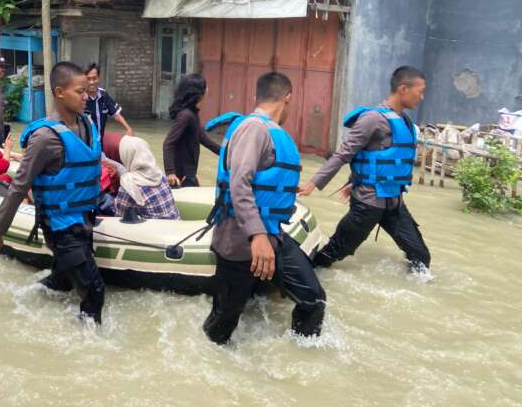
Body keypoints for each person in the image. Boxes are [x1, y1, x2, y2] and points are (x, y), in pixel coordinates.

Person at [202, 72, 326, 345]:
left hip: (273, 237)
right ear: (288, 98)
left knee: (313, 298)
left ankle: (300, 356)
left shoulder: (268, 132)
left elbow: (261, 184)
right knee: (222, 324)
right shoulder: (254, 128)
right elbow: (239, 184)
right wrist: (257, 236)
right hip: (240, 241)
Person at [0, 62, 105, 324]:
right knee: (94, 292)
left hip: (83, 220)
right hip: (60, 227)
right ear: (59, 92)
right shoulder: (44, 138)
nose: (86, 96)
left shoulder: (87, 125)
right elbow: (19, 186)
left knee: (62, 282)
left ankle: (27, 297)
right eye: (80, 91)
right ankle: (88, 352)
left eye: (87, 91)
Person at [299, 66, 431, 273]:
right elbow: (345, 153)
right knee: (333, 253)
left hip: (394, 203)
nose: (422, 97)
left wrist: (352, 179)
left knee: (421, 258)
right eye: (420, 91)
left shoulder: (404, 121)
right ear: (403, 89)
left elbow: (378, 157)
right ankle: (303, 278)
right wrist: (313, 183)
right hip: (368, 203)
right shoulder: (372, 119)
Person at [163, 74, 220, 188]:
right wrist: (170, 172)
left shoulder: (192, 113)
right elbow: (168, 143)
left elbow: (202, 138)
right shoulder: (185, 116)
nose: (207, 89)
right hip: (181, 176)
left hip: (189, 172)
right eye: (205, 87)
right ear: (198, 93)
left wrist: (226, 152)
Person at [114, 136, 180, 220]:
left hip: (154, 231)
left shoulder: (129, 183)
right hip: (175, 223)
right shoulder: (159, 173)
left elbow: (119, 216)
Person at [84, 62, 134, 139]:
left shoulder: (103, 95)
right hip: (85, 142)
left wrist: (128, 128)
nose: (92, 82)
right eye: (88, 79)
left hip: (99, 142)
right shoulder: (80, 97)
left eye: (94, 78)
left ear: (98, 78)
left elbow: (116, 114)